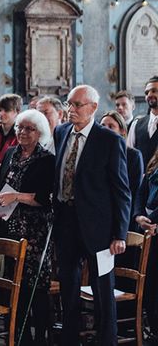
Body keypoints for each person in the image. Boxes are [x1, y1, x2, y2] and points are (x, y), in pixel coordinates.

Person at [53, 85, 130, 346]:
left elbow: (121, 190)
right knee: (68, 285)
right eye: (69, 104)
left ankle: (106, 340)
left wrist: (119, 233)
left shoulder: (109, 140)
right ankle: (70, 339)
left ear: (93, 108)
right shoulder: (61, 131)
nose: (71, 110)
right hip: (66, 221)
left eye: (77, 105)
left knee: (101, 288)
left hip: (98, 227)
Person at [0, 110, 55, 345]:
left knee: (35, 287)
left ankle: (41, 338)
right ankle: (20, 337)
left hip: (35, 232)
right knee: (14, 285)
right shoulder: (10, 154)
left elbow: (47, 197)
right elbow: (0, 186)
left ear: (40, 132)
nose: (22, 132)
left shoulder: (47, 159)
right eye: (19, 127)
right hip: (12, 228)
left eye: (29, 128)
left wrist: (16, 197)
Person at [101, 111, 143, 222]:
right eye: (103, 126)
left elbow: (135, 190)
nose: (105, 129)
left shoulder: (133, 155)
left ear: (122, 131)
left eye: (111, 126)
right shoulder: (95, 154)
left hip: (123, 215)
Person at [134, 145, 158, 334]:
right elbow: (140, 194)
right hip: (148, 231)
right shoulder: (153, 166)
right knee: (149, 283)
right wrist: (139, 217)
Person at [127, 76, 158, 166]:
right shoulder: (136, 124)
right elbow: (129, 156)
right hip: (140, 179)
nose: (149, 95)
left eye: (154, 91)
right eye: (146, 92)